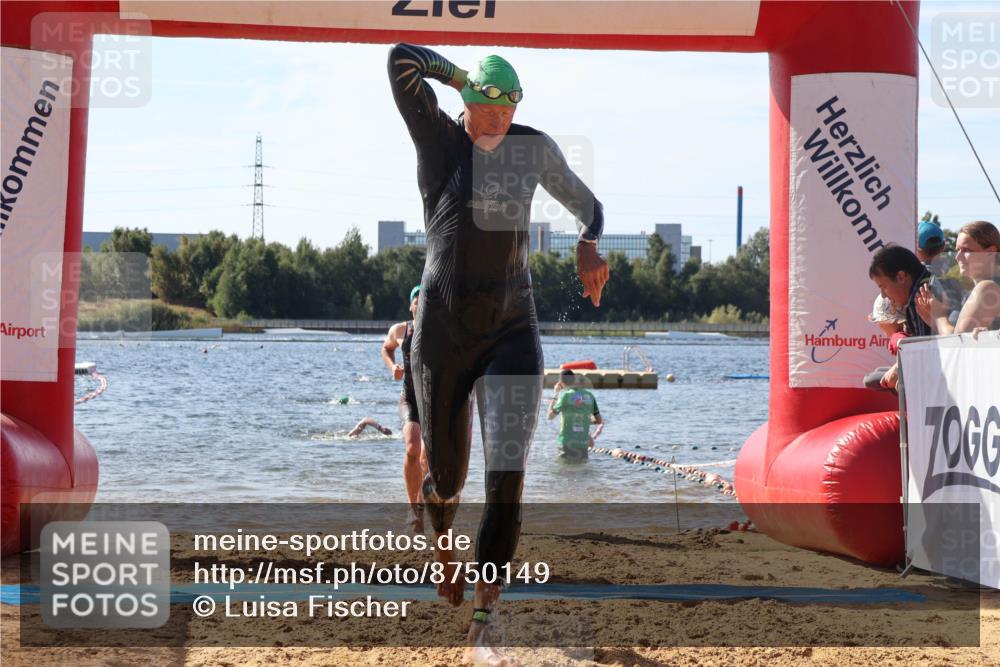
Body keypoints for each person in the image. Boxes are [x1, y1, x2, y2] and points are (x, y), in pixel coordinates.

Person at [388, 42, 609, 665]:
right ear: (465, 103)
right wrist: (460, 77)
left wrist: (588, 242)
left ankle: (484, 619)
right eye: (489, 112)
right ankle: (441, 543)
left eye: (509, 112)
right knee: (447, 480)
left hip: (512, 328)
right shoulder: (437, 138)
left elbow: (590, 206)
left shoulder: (530, 148)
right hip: (442, 333)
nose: (500, 124)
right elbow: (401, 59)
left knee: (506, 480)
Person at [381, 285, 429, 533]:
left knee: (427, 459)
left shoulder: (440, 330)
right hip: (409, 398)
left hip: (433, 402)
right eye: (418, 300)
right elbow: (386, 348)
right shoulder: (400, 330)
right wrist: (393, 367)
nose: (422, 304)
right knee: (412, 449)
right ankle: (413, 509)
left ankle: (422, 503)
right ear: (411, 305)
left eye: (426, 300)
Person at [864, 245, 932, 391]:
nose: (884, 295)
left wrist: (901, 369)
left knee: (872, 380)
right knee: (876, 375)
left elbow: (924, 355)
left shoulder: (919, 297)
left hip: (936, 378)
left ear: (901, 277)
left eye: (883, 287)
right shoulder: (929, 281)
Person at [916, 220, 1000, 335]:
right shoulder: (984, 288)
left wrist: (939, 318)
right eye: (958, 250)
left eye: (966, 250)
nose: (958, 257)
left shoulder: (987, 288)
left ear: (990, 252)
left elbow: (958, 342)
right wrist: (934, 321)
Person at [546, 370, 604, 462]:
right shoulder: (589, 395)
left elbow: (550, 416)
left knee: (564, 469)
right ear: (574, 380)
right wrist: (584, 421)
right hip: (583, 444)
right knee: (581, 469)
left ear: (561, 383)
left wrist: (556, 393)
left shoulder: (565, 396)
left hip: (567, 443)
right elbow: (599, 420)